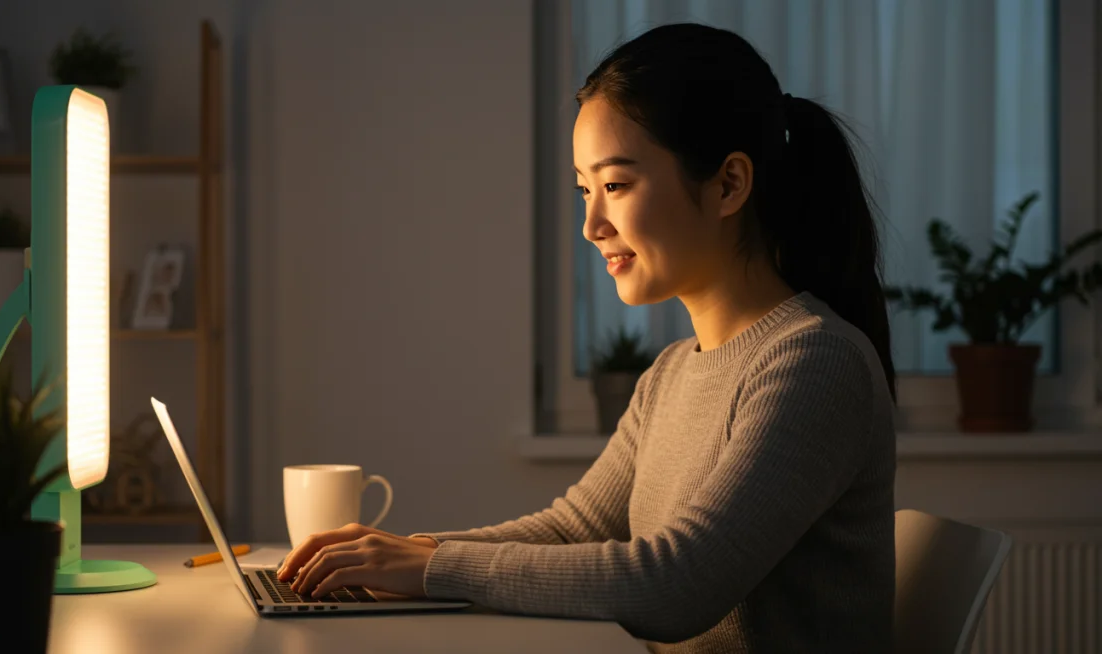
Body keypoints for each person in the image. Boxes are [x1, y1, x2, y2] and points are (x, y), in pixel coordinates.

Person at [277, 23, 896, 653]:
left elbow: (677, 583)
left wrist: (428, 569)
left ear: (729, 184)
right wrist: (409, 553)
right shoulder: (672, 373)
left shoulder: (816, 360)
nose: (591, 225)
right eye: (584, 190)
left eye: (616, 185)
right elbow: (574, 529)